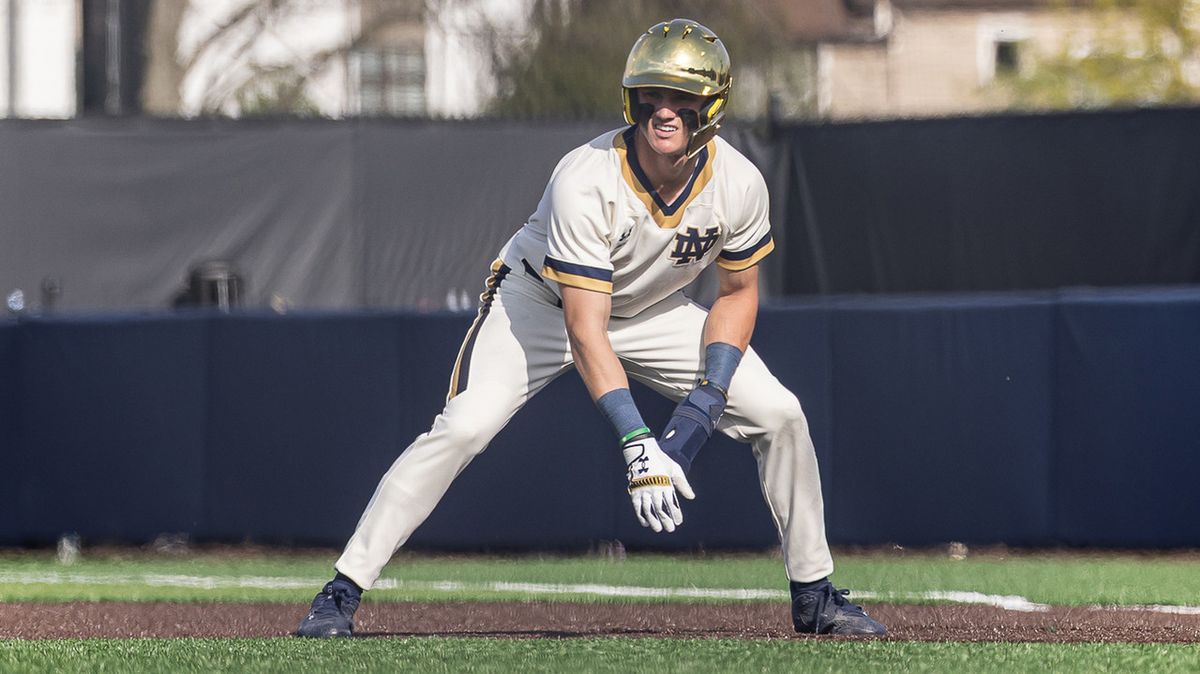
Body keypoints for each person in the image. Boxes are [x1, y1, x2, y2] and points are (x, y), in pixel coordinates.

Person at [296, 17, 886, 638]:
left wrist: (702, 408)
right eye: (652, 95)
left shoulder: (739, 182)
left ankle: (814, 595)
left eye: (682, 97)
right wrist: (639, 442)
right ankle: (341, 590)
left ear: (711, 106)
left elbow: (737, 295)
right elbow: (585, 328)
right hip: (542, 305)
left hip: (652, 309)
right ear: (631, 99)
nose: (664, 110)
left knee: (782, 414)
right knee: (464, 427)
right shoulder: (586, 177)